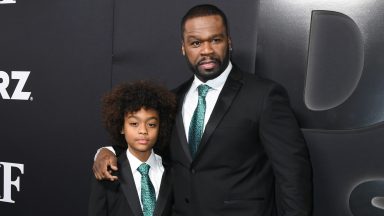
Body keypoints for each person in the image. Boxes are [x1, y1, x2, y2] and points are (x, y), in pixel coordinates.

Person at [93, 4, 312, 216]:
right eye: (196, 43)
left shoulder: (264, 96)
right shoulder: (172, 99)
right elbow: (148, 144)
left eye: (215, 40)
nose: (207, 50)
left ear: (229, 42)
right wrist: (108, 151)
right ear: (183, 47)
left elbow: (293, 174)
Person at [88, 81, 176, 216]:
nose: (143, 130)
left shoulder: (172, 171)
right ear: (122, 127)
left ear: (161, 127)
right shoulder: (107, 171)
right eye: (134, 123)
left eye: (151, 124)